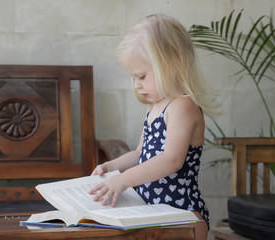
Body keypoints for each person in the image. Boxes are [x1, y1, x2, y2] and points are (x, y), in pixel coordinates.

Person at [89, 13, 219, 240]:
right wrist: (111, 167)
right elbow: (140, 153)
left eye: (141, 76)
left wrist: (124, 180)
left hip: (182, 213)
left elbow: (171, 160)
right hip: (151, 211)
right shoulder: (154, 107)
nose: (137, 85)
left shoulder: (182, 105)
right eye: (133, 78)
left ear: (172, 63)